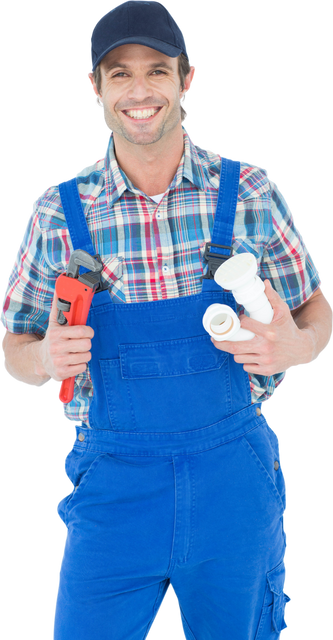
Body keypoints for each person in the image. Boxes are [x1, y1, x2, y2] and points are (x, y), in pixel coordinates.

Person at [0, 2, 332, 639]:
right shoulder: (58, 212)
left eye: (157, 69)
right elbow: (15, 344)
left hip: (232, 481)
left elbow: (315, 305)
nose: (140, 90)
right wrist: (42, 361)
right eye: (119, 73)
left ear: (188, 79)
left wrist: (300, 344)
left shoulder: (249, 191)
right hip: (114, 490)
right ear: (95, 88)